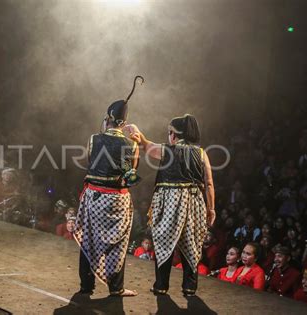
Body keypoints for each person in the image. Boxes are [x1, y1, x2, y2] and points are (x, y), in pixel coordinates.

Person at [127, 113, 215, 296]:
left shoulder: (167, 150)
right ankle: (189, 287)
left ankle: (161, 285)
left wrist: (138, 134)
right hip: (194, 201)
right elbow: (209, 184)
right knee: (191, 243)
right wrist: (211, 208)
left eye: (169, 133)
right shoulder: (201, 153)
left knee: (164, 242)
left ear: (174, 134)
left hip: (170, 202)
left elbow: (147, 146)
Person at [73, 76, 143, 297]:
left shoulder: (94, 139)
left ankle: (87, 285)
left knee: (88, 239)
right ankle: (116, 287)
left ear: (107, 119)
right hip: (117, 198)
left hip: (94, 195)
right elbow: (131, 173)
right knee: (119, 243)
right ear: (123, 122)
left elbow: (89, 162)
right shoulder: (131, 144)